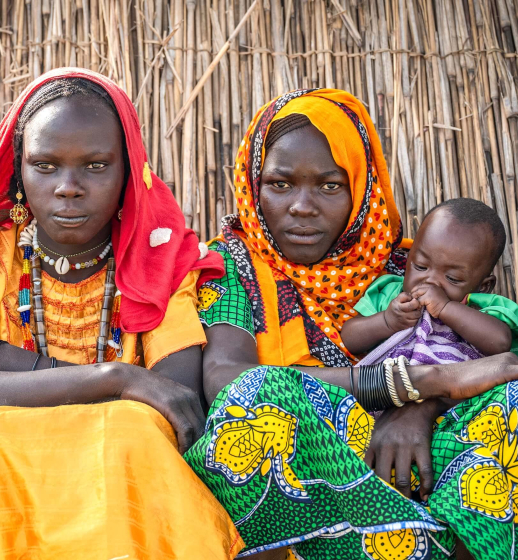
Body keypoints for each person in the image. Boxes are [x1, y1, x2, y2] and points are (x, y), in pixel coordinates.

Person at [0, 68, 244, 559]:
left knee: (132, 434)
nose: (69, 187)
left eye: (96, 166)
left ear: (128, 170)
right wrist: (114, 378)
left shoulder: (160, 264)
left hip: (121, 494)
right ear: (18, 173)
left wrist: (2, 362)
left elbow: (171, 411)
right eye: (46, 165)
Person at [186, 89, 518, 559]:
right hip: (299, 467)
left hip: (417, 449)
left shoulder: (408, 264)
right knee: (257, 395)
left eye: (329, 186)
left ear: (361, 189)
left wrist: (419, 408)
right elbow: (224, 379)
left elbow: (484, 357)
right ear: (253, 184)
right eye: (280, 184)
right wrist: (411, 383)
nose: (302, 206)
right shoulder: (230, 265)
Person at [342, 197, 517, 360]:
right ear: (408, 258)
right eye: (420, 266)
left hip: (466, 390)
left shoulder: (483, 307)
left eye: (452, 278)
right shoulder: (389, 294)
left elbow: (501, 343)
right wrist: (387, 321)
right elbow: (349, 339)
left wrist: (445, 308)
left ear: (484, 286)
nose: (430, 281)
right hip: (390, 387)